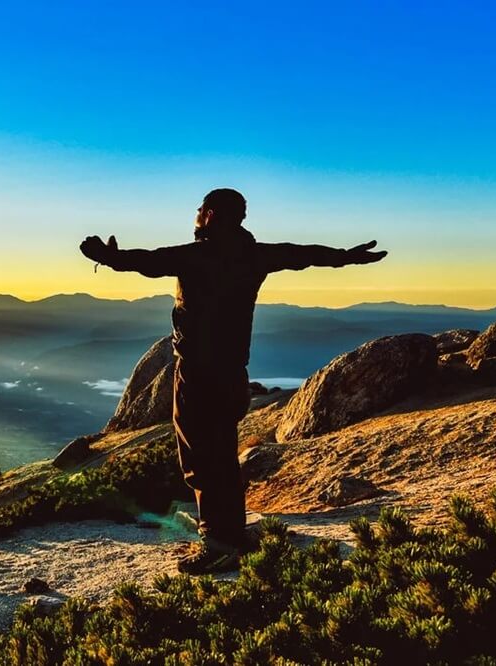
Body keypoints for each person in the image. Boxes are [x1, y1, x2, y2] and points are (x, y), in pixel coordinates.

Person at [79, 188, 386, 574]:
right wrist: (347, 257)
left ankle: (218, 544)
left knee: (201, 457)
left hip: (198, 373)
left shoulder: (196, 256)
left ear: (208, 215)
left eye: (198, 211)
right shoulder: (254, 255)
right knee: (222, 451)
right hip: (233, 373)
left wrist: (107, 257)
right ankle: (232, 532)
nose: (195, 217)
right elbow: (304, 254)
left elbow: (147, 262)